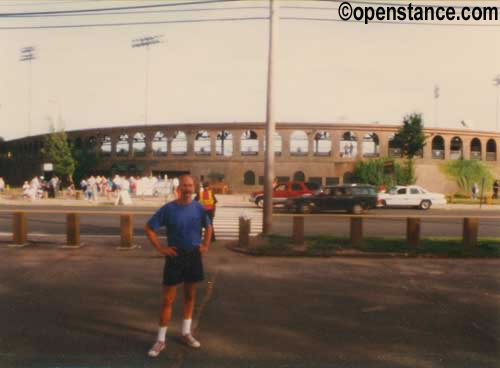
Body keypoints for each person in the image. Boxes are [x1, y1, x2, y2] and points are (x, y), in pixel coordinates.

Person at [144, 175, 212, 358]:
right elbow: (149, 228)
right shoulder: (169, 209)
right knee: (168, 300)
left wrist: (205, 245)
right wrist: (161, 248)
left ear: (194, 187)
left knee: (190, 297)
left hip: (193, 256)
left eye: (191, 185)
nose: (188, 188)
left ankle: (185, 333)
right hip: (175, 256)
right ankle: (160, 340)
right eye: (185, 185)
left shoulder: (198, 207)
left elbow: (209, 227)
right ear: (179, 187)